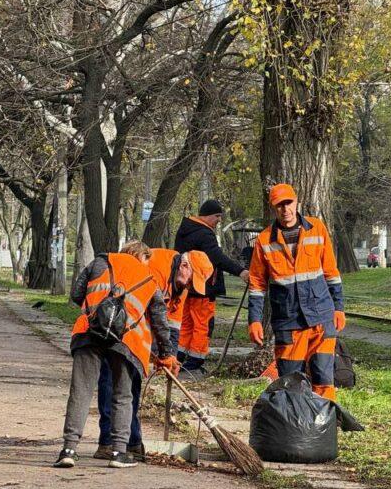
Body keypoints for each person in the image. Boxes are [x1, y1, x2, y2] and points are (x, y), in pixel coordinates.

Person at [55, 241, 178, 470]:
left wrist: (97, 309)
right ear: (141, 257)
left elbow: (76, 294)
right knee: (123, 395)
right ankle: (119, 453)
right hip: (126, 340)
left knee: (80, 392)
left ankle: (69, 450)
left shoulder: (100, 262)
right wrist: (166, 354)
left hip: (88, 333)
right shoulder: (149, 278)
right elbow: (160, 322)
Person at [247, 183, 345, 401]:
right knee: (291, 383)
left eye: (288, 203)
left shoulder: (317, 229)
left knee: (323, 378)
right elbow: (256, 284)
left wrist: (338, 307)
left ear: (296, 202)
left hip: (321, 317)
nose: (285, 209)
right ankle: (296, 431)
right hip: (288, 322)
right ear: (273, 208)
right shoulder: (264, 240)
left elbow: (331, 272)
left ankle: (325, 426)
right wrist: (254, 319)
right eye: (279, 205)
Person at [172, 199, 250, 376]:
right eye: (217, 216)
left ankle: (180, 356)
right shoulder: (204, 234)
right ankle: (195, 361)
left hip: (186, 286)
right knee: (203, 324)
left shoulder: (185, 230)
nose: (219, 220)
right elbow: (217, 257)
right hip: (203, 286)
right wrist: (241, 272)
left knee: (187, 322)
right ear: (207, 215)